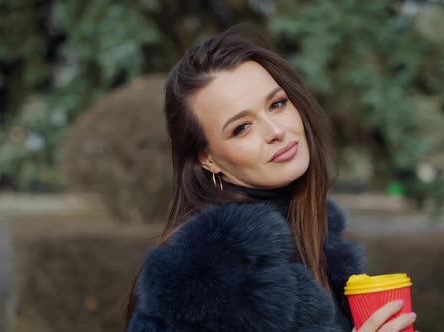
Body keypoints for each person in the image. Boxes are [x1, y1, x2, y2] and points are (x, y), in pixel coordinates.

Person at [124, 25, 418, 332]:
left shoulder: (311, 232)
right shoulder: (202, 273)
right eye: (242, 127)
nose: (276, 131)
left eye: (277, 104)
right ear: (207, 159)